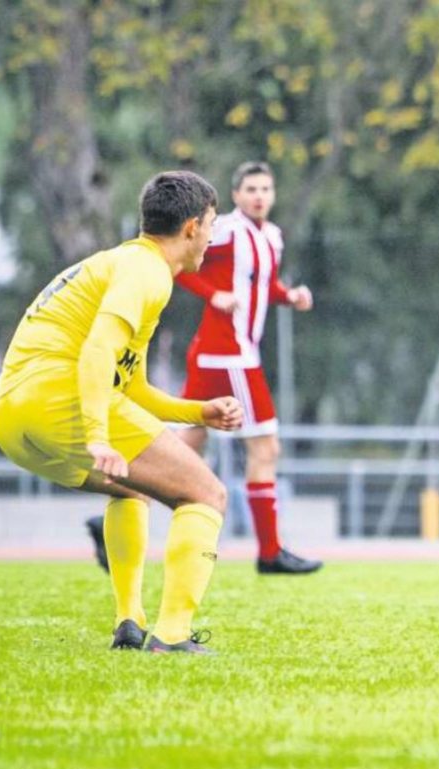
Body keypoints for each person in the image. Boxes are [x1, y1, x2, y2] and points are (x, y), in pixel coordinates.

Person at [0, 171, 243, 654]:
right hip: (61, 397)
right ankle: (172, 636)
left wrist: (198, 412)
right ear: (191, 227)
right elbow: (96, 352)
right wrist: (97, 434)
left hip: (13, 417)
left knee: (131, 487)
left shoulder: (123, 264)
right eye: (212, 225)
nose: (212, 238)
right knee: (206, 494)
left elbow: (132, 388)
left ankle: (130, 621)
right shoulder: (147, 272)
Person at [86, 161, 322, 575]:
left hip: (216, 354)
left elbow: (261, 285)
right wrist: (213, 295)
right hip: (230, 354)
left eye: (266, 189)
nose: (259, 196)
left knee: (185, 447)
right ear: (236, 195)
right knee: (265, 448)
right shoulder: (224, 230)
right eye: (251, 189)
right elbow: (178, 263)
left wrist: (290, 297)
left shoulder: (272, 236)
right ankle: (270, 551)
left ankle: (118, 508)